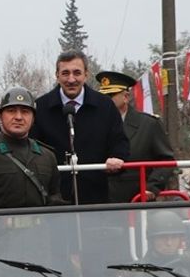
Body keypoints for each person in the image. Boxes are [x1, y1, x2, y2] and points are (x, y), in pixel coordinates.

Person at [0, 87, 66, 253]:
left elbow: (55, 207)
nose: (18, 117)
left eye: (25, 111)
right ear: (0, 116)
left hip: (41, 248)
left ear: (33, 117)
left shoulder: (46, 156)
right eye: (11, 111)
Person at [31, 50, 128, 204]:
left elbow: (119, 142)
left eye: (77, 73)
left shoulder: (105, 106)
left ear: (86, 74)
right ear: (57, 75)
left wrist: (117, 158)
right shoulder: (40, 107)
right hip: (54, 200)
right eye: (65, 73)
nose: (71, 79)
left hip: (97, 197)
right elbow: (32, 148)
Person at [96, 71, 176, 203]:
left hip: (137, 201)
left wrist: (152, 187)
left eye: (111, 95)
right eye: (103, 96)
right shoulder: (93, 125)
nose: (106, 100)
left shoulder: (149, 124)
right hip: (101, 202)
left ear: (126, 97)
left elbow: (166, 160)